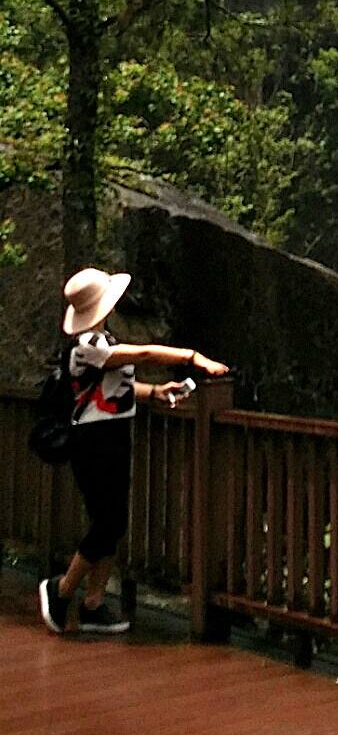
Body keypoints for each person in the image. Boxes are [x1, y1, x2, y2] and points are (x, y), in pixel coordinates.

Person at [38, 266, 230, 636]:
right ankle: (61, 590)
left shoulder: (103, 341)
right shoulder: (87, 347)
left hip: (111, 436)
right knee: (107, 522)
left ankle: (93, 603)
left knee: (113, 520)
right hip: (92, 442)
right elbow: (141, 354)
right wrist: (192, 357)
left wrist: (156, 392)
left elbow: (115, 389)